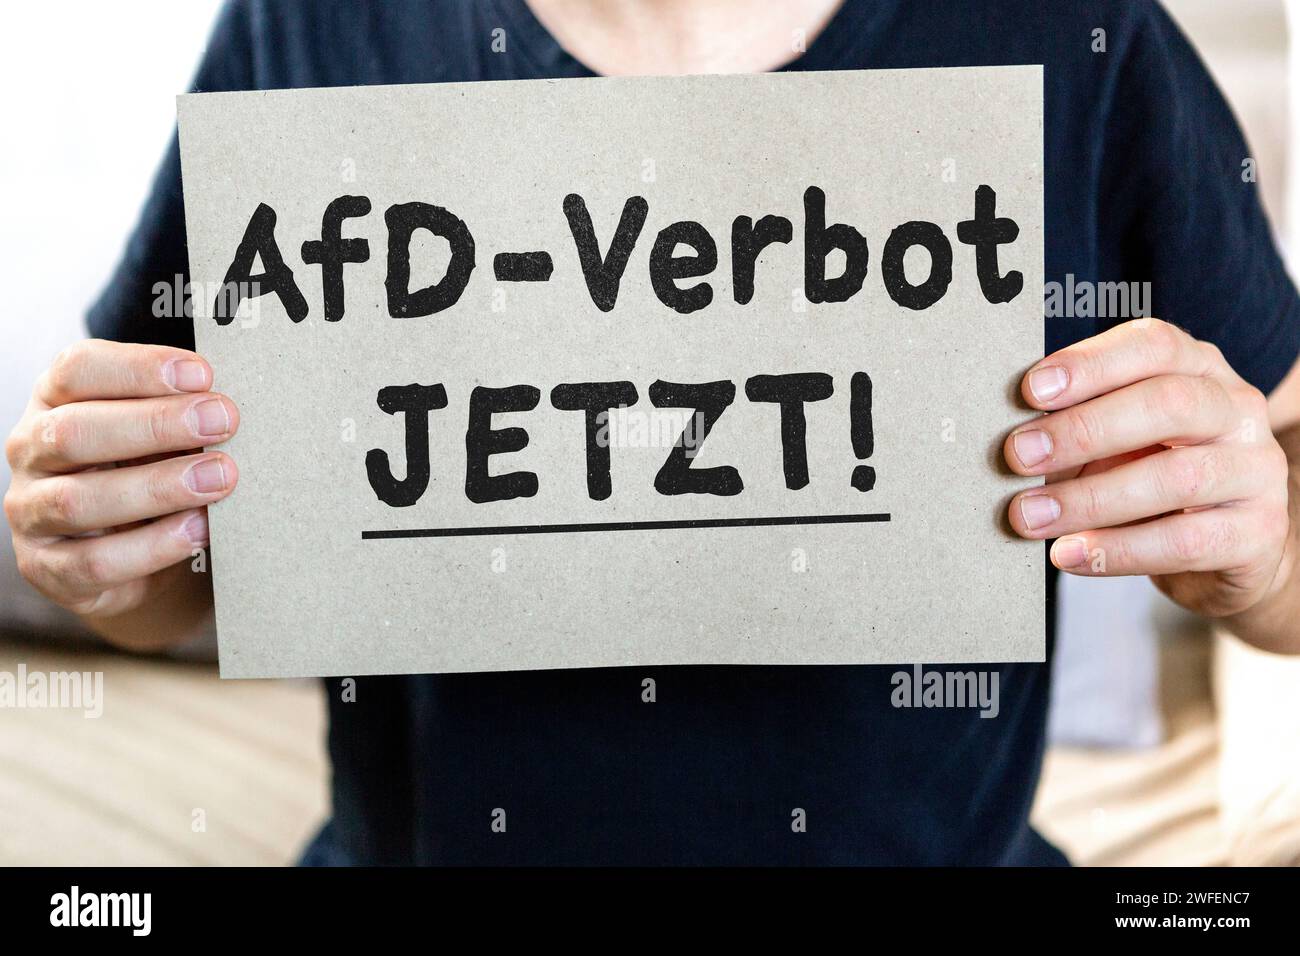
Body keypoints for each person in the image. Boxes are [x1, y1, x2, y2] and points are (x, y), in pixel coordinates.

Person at [5, 0, 1300, 865]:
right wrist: (106, 555)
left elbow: (1280, 497)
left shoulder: (1077, 31)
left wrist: (1262, 548)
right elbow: (173, 571)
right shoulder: (312, 22)